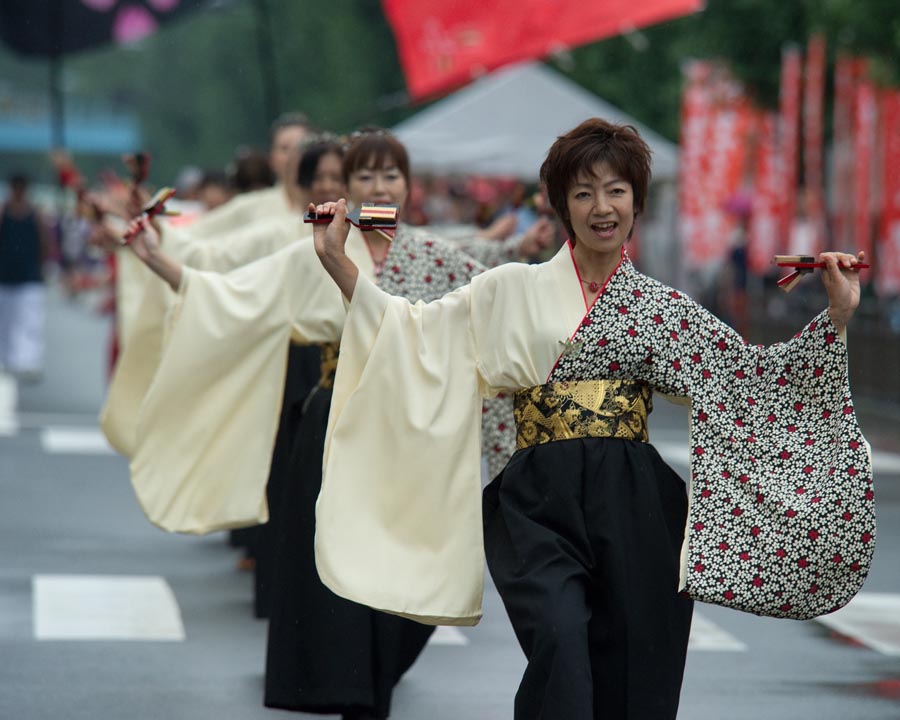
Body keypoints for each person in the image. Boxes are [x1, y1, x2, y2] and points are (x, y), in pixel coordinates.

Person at [310, 118, 874, 719]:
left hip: (636, 505)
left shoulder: (660, 308)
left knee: (633, 673)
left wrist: (835, 315)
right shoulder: (507, 290)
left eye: (615, 190)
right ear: (561, 206)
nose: (601, 207)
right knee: (558, 640)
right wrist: (338, 262)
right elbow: (415, 334)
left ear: (636, 202)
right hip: (536, 503)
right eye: (583, 192)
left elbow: (753, 382)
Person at [121, 128, 517, 719]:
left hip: (412, 437)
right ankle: (356, 693)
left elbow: (496, 306)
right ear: (345, 186)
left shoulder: (437, 258)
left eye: (390, 176)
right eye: (364, 177)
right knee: (339, 572)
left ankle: (378, 679)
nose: (378, 186)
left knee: (418, 579)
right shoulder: (316, 249)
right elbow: (236, 297)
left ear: (409, 187)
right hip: (336, 422)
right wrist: (157, 259)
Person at [0, 173, 51, 380]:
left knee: (30, 320)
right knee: (5, 320)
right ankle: (6, 359)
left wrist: (43, 265)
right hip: (5, 273)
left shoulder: (35, 213)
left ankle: (29, 360)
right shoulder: (3, 211)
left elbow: (45, 242)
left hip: (30, 275)